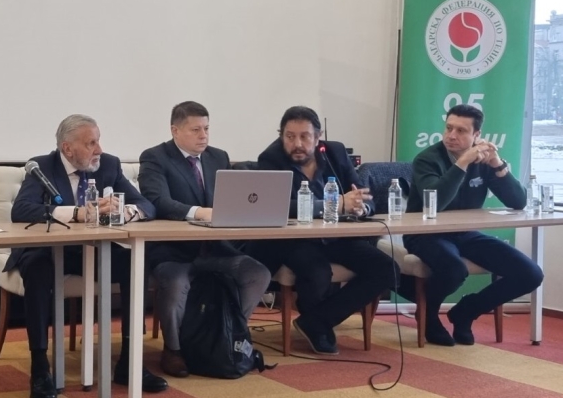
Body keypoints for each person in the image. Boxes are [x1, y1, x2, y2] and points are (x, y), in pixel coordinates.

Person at [8, 114, 166, 397]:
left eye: (98, 141)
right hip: (49, 252)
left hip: (93, 250)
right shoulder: (42, 167)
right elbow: (21, 210)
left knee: (136, 262)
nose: (99, 149)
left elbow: (146, 205)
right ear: (67, 148)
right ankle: (40, 368)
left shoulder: (109, 165)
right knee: (37, 267)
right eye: (91, 143)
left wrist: (124, 211)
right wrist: (78, 213)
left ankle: (130, 360)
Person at [138, 101, 271, 377]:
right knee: (175, 282)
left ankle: (227, 332)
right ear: (175, 130)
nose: (204, 136)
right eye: (196, 129)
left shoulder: (218, 157)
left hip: (215, 248)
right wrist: (199, 212)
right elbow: (157, 200)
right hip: (173, 251)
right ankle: (173, 349)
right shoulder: (155, 157)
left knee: (257, 274)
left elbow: (232, 198)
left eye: (207, 128)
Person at [253, 106, 396, 355]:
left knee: (387, 268)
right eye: (289, 136)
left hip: (337, 235)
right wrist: (336, 204)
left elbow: (363, 195)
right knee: (317, 271)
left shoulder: (335, 152)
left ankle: (317, 322)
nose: (297, 144)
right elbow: (278, 206)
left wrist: (360, 208)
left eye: (304, 136)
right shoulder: (270, 159)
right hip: (295, 241)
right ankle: (318, 325)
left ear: (318, 137)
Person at [402, 104, 543, 346]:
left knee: (530, 274)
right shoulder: (427, 159)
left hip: (465, 233)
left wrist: (497, 164)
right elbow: (435, 202)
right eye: (448, 128)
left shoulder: (483, 161)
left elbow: (518, 201)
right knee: (454, 269)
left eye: (461, 131)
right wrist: (462, 164)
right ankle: (428, 315)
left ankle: (466, 311)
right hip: (425, 234)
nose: (451, 135)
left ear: (477, 135)